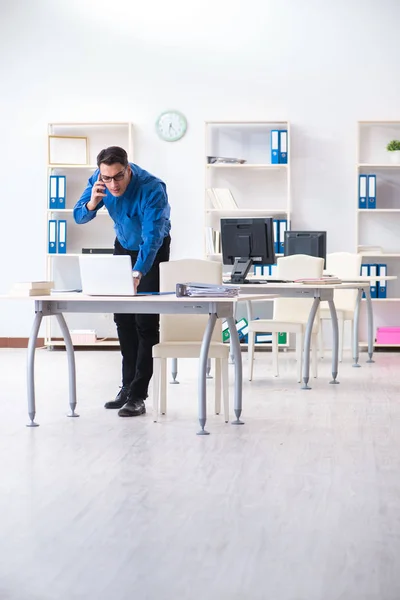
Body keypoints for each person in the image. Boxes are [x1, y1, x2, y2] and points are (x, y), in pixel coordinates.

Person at [73, 146, 171, 417]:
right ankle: (126, 387)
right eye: (107, 178)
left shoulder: (152, 188)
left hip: (152, 250)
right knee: (123, 318)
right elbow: (79, 216)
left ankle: (139, 395)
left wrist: (138, 273)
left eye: (118, 177)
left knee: (145, 322)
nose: (112, 184)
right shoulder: (99, 180)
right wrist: (92, 202)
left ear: (128, 169)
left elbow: (152, 239)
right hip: (124, 244)